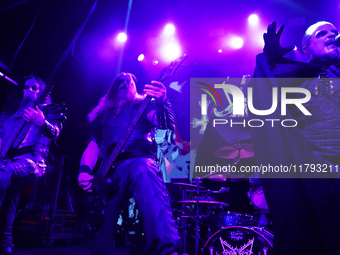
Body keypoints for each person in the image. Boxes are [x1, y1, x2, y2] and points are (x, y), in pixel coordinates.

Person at [249, 21, 340, 254]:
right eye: (322, 34)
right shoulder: (292, 80)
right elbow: (259, 98)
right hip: (312, 183)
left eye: (334, 33)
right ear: (306, 50)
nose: (332, 35)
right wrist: (268, 59)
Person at [78, 72, 180, 255]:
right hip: (107, 172)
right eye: (120, 80)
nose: (125, 82)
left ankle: (167, 250)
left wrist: (162, 103)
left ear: (135, 87)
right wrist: (84, 171)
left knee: (146, 177)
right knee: (100, 223)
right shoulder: (102, 115)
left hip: (138, 159)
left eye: (129, 80)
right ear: (113, 88)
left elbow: (164, 125)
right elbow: (93, 144)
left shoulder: (142, 105)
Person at [0, 76, 66, 255]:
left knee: (2, 176)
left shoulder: (47, 111)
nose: (30, 90)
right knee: (9, 197)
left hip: (32, 163)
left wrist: (41, 121)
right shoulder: (10, 116)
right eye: (26, 87)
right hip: (8, 163)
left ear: (42, 91)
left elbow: (54, 132)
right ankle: (5, 244)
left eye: (35, 87)